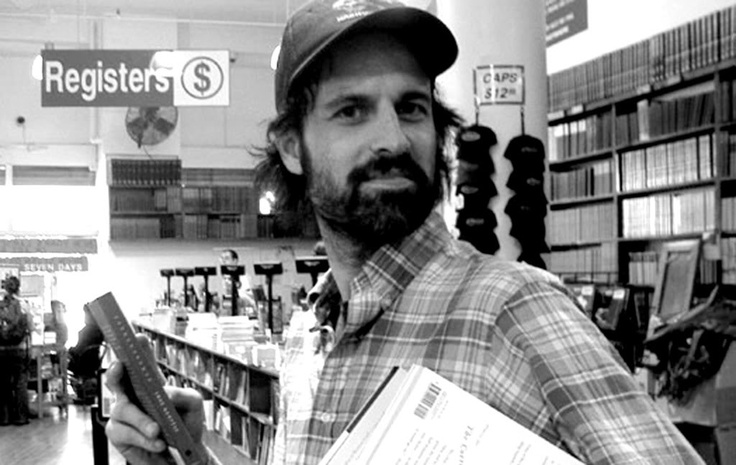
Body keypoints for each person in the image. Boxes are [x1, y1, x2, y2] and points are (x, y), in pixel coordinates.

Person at [105, 2, 705, 464]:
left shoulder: (511, 311)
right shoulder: (309, 333)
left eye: (412, 108)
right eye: (352, 110)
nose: (393, 139)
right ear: (292, 147)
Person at [0, 275, 32, 426]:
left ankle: (5, 418)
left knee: (4, 383)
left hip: (2, 349)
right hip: (19, 349)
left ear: (5, 287)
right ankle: (21, 417)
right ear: (18, 288)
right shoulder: (24, 305)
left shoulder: (0, 304)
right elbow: (30, 327)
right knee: (20, 383)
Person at [217, 248, 257, 316]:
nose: (223, 261)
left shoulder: (243, 276)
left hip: (243, 310)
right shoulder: (222, 276)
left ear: (235, 260)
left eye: (226, 258)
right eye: (222, 258)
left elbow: (248, 298)